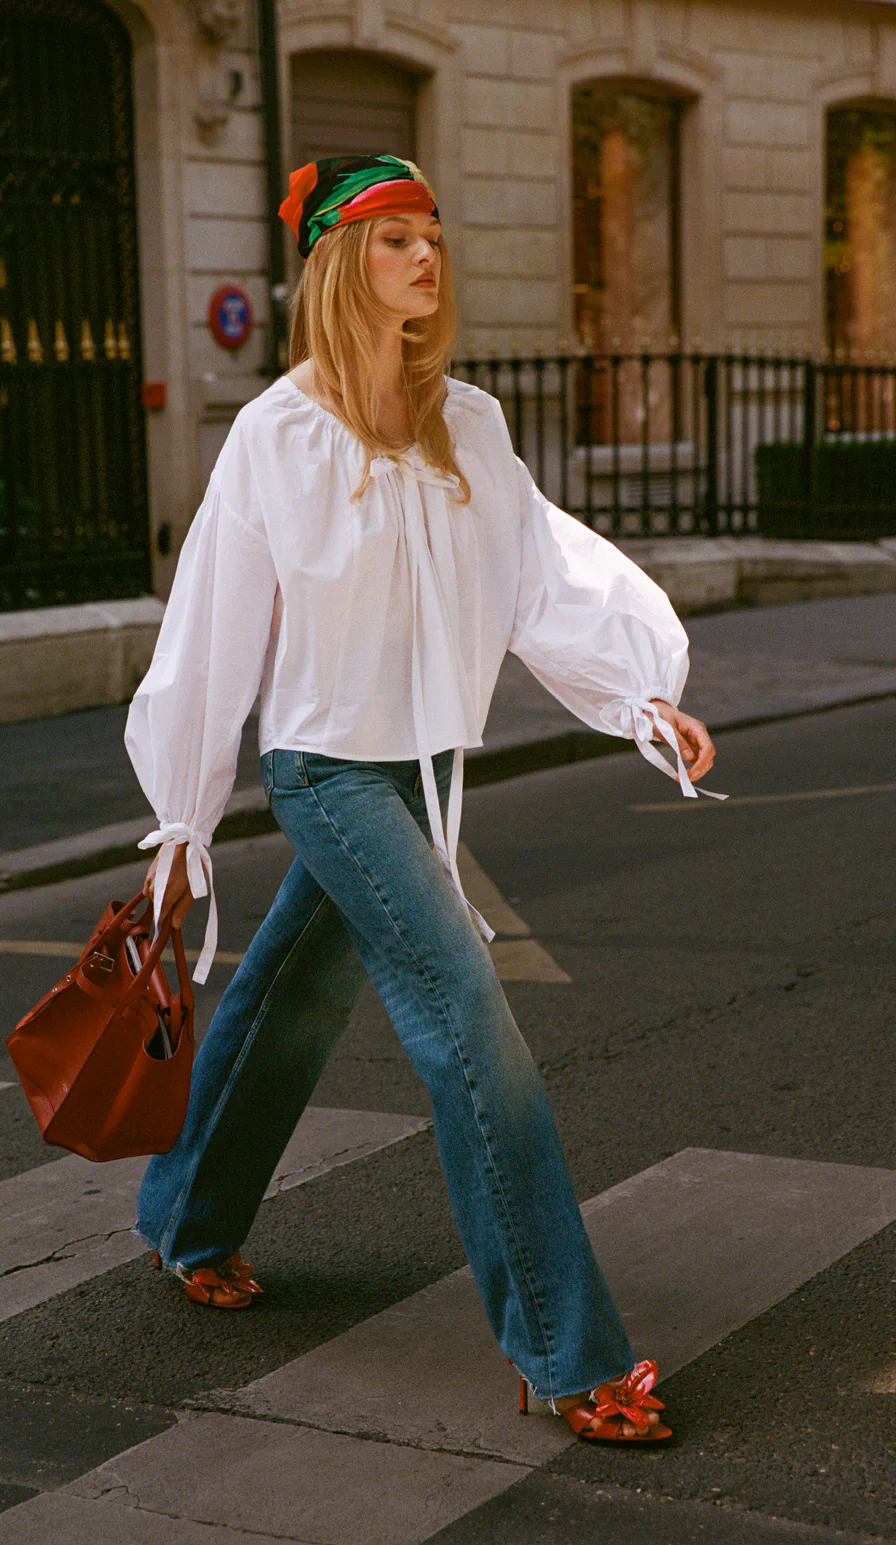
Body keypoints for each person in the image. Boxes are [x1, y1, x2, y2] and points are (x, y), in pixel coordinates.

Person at [125, 154, 717, 1444]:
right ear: (343, 263)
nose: (427, 257)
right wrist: (183, 814)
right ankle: (566, 1350)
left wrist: (638, 698)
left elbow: (542, 575)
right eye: (397, 239)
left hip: (421, 772)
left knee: (291, 996)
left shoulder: (473, 425)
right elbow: (215, 627)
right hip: (328, 774)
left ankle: (187, 1215)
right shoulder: (278, 435)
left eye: (434, 237)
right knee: (467, 1022)